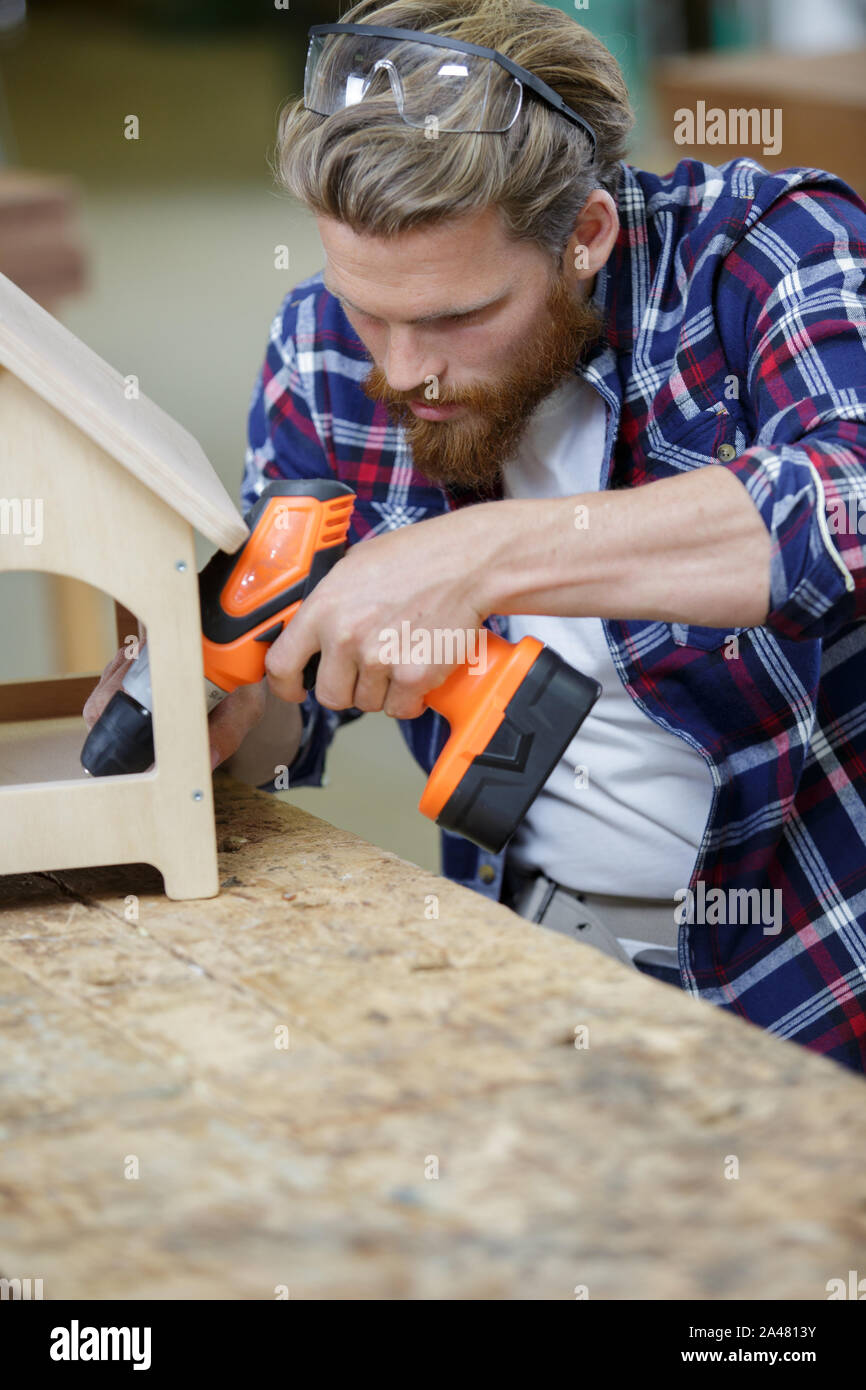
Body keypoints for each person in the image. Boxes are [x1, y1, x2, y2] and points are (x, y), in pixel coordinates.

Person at [84, 0, 866, 1074]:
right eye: (369, 308)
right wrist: (233, 705)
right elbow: (283, 735)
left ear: (584, 235)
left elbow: (844, 500)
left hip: (817, 965)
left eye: (456, 319)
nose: (405, 370)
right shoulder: (321, 347)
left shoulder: (761, 251)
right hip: (536, 963)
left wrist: (472, 554)